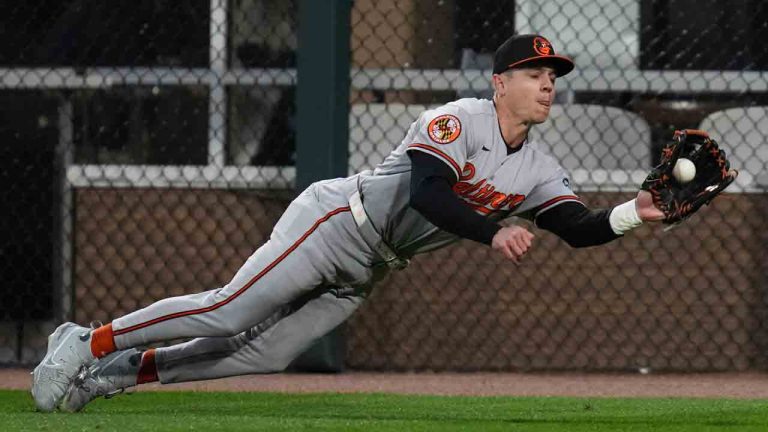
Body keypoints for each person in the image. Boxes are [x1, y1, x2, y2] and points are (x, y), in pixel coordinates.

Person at [31, 34, 666, 412]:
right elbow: (428, 192)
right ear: (500, 83)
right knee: (230, 310)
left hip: (370, 265)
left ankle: (119, 375)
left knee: (266, 351)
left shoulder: (539, 169)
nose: (548, 86)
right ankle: (90, 341)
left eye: (552, 77)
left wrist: (637, 213)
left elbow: (580, 227)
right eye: (534, 75)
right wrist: (493, 230)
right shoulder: (457, 119)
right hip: (337, 221)